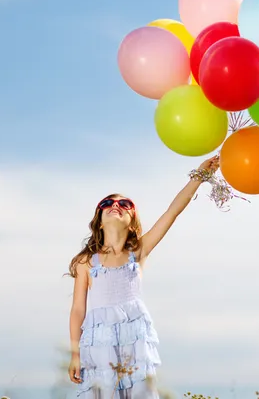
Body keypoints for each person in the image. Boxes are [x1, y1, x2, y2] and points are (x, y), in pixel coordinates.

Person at [67, 156, 219, 398]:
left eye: (124, 203)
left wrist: (199, 177)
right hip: (99, 345)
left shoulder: (138, 251)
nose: (115, 205)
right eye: (108, 202)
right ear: (99, 220)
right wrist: (75, 353)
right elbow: (77, 310)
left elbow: (173, 211)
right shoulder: (86, 261)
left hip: (135, 343)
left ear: (132, 221)